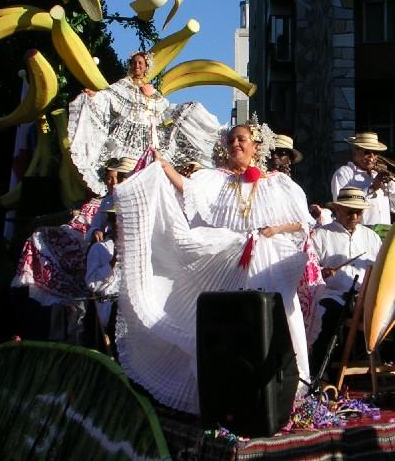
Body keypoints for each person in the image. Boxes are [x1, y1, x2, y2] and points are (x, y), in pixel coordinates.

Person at [113, 115, 315, 414]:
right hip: (229, 258)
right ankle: (232, 392)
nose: (235, 144)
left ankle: (284, 392)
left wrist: (274, 230)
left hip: (267, 260)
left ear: (255, 147)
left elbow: (302, 222)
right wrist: (164, 166)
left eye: (241, 139)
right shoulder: (215, 179)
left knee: (276, 317)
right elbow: (187, 189)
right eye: (231, 139)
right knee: (231, 323)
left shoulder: (279, 183)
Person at [67, 49, 220, 195]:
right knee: (125, 168)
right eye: (134, 63)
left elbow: (164, 107)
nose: (137, 66)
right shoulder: (123, 85)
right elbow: (107, 97)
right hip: (128, 136)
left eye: (140, 63)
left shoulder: (151, 90)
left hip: (151, 136)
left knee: (152, 169)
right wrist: (94, 95)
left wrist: (187, 108)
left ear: (146, 67)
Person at [308, 187, 382, 375]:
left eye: (359, 212)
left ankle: (379, 371)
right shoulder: (322, 234)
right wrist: (322, 272)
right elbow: (308, 267)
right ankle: (320, 373)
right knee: (329, 315)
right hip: (333, 294)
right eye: (350, 211)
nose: (355, 216)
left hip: (364, 296)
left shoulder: (371, 237)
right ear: (338, 209)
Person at [331, 131, 395, 226]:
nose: (372, 157)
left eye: (375, 153)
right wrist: (372, 188)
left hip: (384, 235)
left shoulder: (379, 175)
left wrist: (391, 183)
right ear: (355, 151)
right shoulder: (344, 173)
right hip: (360, 234)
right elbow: (341, 207)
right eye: (367, 152)